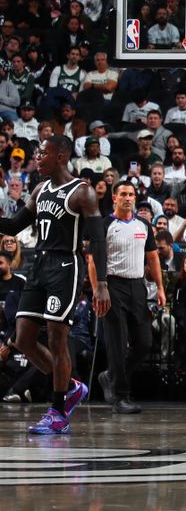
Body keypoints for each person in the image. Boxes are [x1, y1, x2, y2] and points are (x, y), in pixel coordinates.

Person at [0, 135, 110, 433]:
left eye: (43, 153)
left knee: (56, 339)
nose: (37, 158)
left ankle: (58, 410)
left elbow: (98, 239)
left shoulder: (82, 191)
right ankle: (71, 385)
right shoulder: (40, 189)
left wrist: (100, 282)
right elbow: (12, 226)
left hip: (66, 266)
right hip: (40, 265)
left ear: (60, 156)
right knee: (22, 339)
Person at [90, 181, 165, 414]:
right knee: (117, 344)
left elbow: (153, 258)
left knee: (144, 343)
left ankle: (111, 376)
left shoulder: (143, 224)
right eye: (123, 194)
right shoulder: (105, 224)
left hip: (138, 286)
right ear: (114, 197)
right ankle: (120, 396)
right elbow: (92, 261)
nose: (128, 198)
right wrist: (97, 290)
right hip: (113, 286)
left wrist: (160, 287)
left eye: (131, 194)